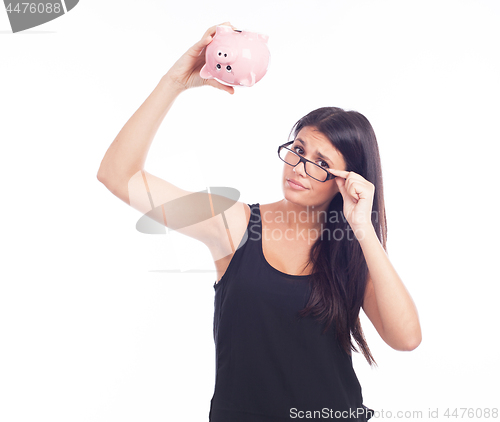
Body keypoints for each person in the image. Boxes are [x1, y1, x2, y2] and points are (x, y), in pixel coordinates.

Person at [97, 22, 422, 422]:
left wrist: (364, 229)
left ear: (347, 181)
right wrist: (174, 82)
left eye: (322, 164)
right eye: (298, 149)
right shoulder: (234, 225)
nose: (301, 167)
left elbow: (406, 339)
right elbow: (119, 175)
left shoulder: (351, 251)